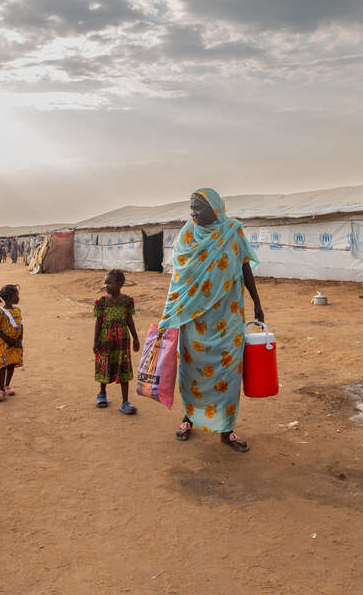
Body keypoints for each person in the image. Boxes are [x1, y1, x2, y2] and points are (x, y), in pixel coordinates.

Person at [161, 188, 264, 453]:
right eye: (192, 208)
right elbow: (179, 280)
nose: (194, 213)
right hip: (194, 319)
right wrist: (169, 314)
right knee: (191, 370)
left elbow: (244, 267)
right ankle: (189, 417)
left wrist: (257, 302)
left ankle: (226, 428)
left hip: (227, 317)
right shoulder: (187, 236)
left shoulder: (232, 231)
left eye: (200, 208)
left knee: (229, 373)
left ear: (216, 208)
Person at [93, 269, 141, 414]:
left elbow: (129, 320)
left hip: (122, 343)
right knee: (105, 365)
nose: (106, 285)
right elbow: (98, 322)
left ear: (120, 284)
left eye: (110, 282)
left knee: (124, 368)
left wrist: (135, 337)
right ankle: (102, 394)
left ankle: (125, 402)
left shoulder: (127, 301)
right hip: (105, 341)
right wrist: (95, 341)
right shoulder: (102, 302)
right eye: (105, 282)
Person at [0, 284, 23, 400]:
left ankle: (7, 386)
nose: (18, 297)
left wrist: (20, 339)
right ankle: (0, 389)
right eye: (17, 294)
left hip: (15, 343)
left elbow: (21, 325)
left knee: (11, 364)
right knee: (3, 365)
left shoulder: (17, 310)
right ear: (10, 297)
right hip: (3, 344)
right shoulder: (0, 311)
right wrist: (8, 340)